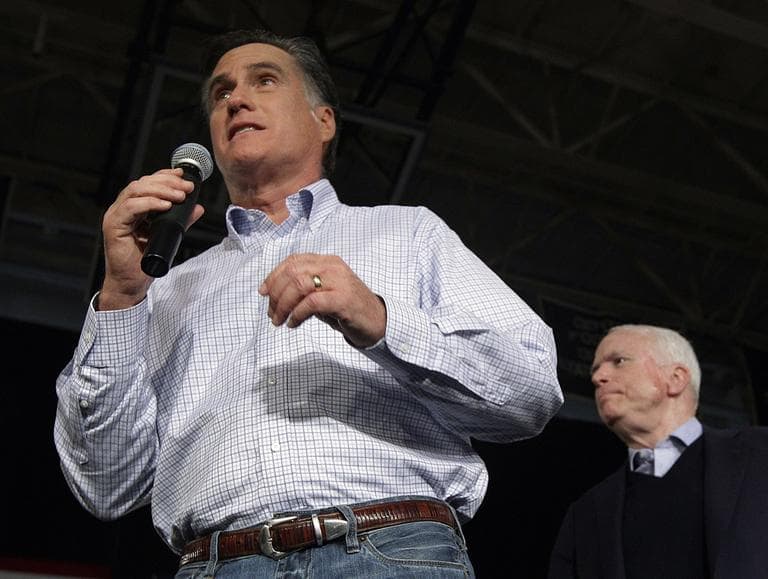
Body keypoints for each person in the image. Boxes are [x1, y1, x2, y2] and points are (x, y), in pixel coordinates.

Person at [54, 28, 563, 577]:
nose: (236, 100)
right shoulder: (167, 289)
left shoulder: (408, 232)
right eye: (221, 93)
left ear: (325, 121)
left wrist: (382, 321)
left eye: (264, 81)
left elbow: (531, 392)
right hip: (220, 565)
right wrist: (123, 295)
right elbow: (105, 485)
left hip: (389, 551)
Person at [547, 323, 768, 579]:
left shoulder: (760, 453)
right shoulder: (585, 515)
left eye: (618, 361)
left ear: (675, 379)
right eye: (595, 369)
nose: (598, 378)